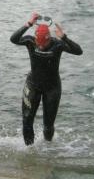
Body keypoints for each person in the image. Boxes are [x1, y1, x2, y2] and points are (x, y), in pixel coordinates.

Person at [10, 13, 82, 145]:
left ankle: (48, 148)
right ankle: (29, 151)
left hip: (52, 88)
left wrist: (64, 37)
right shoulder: (30, 41)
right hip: (33, 85)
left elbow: (79, 51)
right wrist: (28, 24)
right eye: (39, 44)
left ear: (49, 39)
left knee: (48, 126)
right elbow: (13, 39)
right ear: (36, 39)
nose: (41, 46)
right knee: (27, 121)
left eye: (44, 43)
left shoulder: (57, 44)